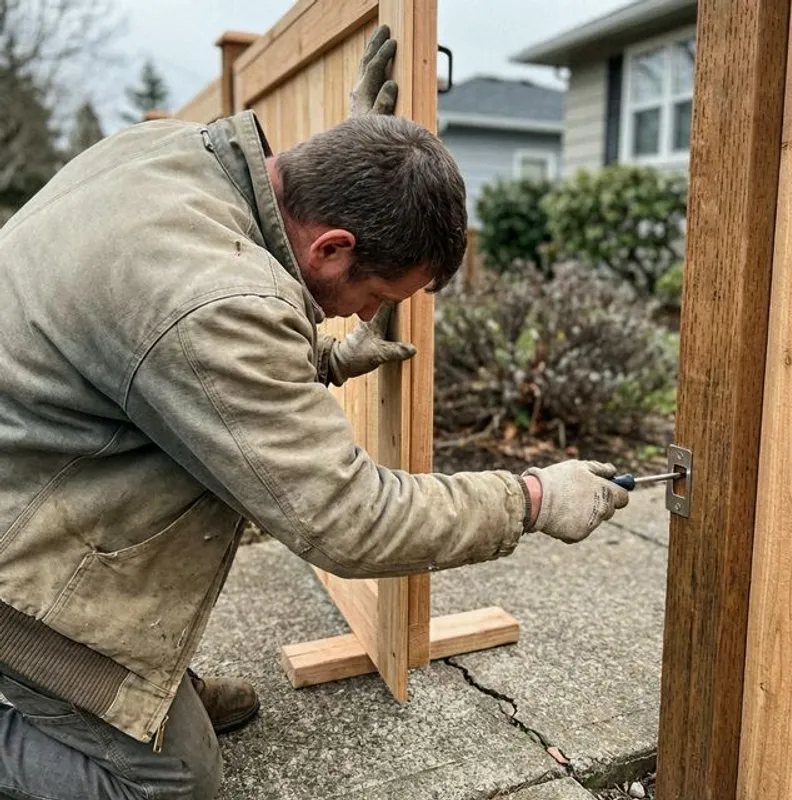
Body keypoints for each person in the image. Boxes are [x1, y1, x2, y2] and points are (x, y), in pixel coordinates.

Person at [0, 26, 628, 800]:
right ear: (332, 248)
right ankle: (63, 694)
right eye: (379, 296)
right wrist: (530, 498)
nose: (370, 314)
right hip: (18, 579)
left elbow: (155, 362)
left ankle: (145, 689)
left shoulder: (172, 157)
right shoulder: (213, 300)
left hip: (40, 465)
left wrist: (324, 357)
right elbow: (347, 519)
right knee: (173, 789)